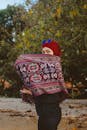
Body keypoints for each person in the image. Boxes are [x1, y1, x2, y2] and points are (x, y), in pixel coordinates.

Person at [20, 39, 68, 130]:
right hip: (42, 114)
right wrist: (31, 92)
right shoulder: (40, 70)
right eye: (43, 51)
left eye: (48, 51)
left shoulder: (55, 69)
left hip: (51, 114)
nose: (45, 53)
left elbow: (51, 93)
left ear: (55, 53)